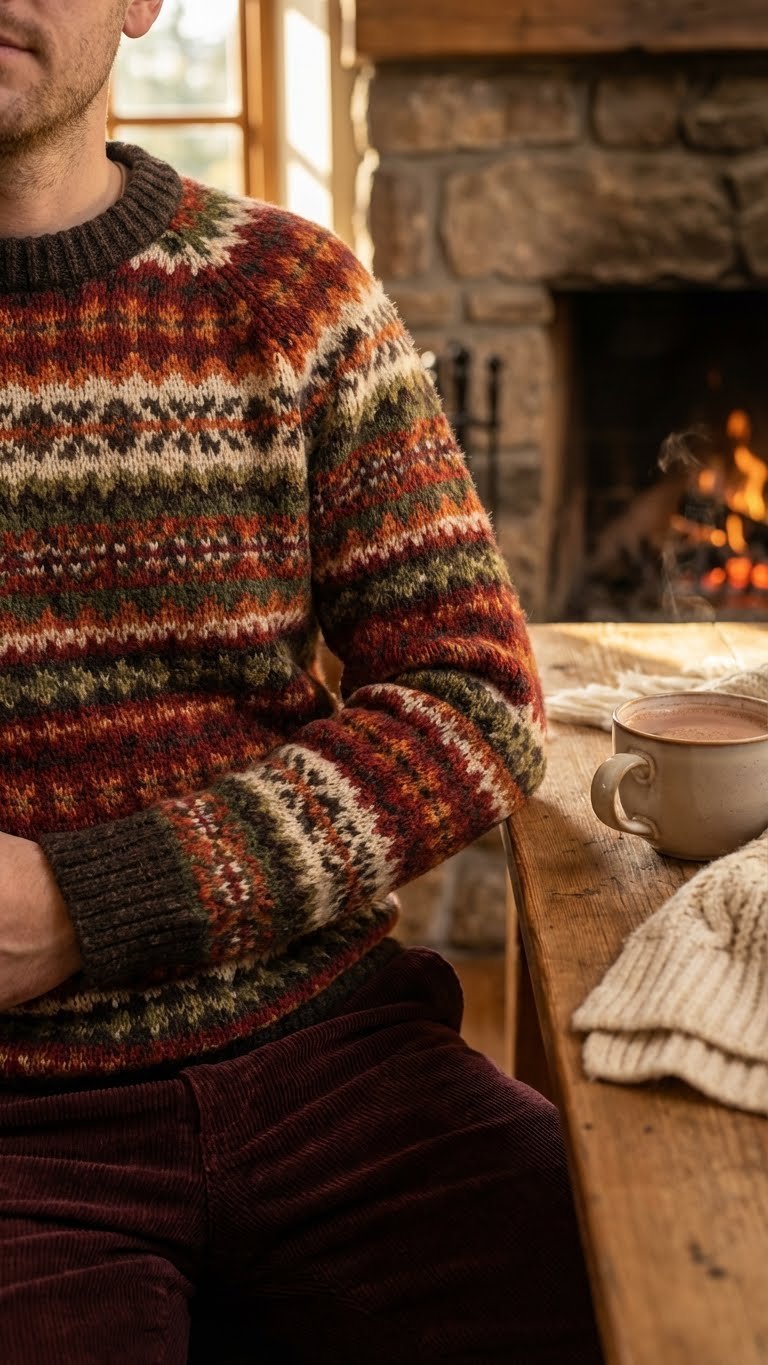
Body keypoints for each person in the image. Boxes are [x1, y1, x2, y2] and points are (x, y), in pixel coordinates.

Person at [0, 2, 603, 1360]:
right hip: (16, 1147)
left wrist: (91, 904)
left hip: (334, 1060)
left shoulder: (293, 295)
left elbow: (476, 696)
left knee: (636, 1292)